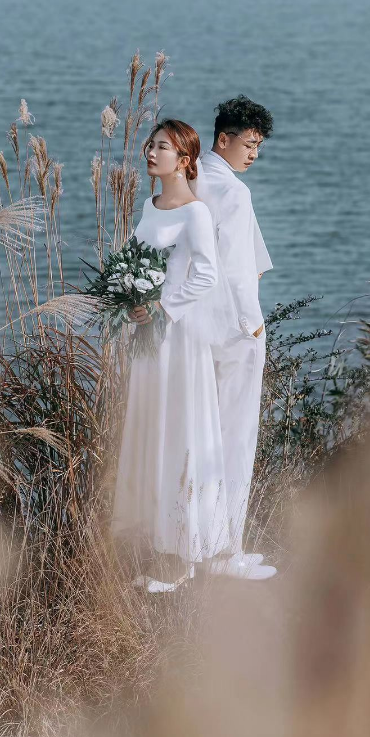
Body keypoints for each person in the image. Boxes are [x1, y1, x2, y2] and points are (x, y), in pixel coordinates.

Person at [110, 119, 231, 593]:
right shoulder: (150, 206)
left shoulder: (195, 213)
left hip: (178, 338)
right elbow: (135, 260)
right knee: (151, 424)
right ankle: (159, 543)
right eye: (150, 145)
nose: (151, 152)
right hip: (149, 338)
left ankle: (183, 557)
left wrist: (164, 306)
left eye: (162, 147)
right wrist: (131, 298)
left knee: (179, 427)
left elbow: (207, 275)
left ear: (184, 160)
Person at [191, 95, 278, 580]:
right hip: (236, 329)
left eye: (258, 146)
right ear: (224, 139)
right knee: (237, 437)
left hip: (195, 330)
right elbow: (245, 270)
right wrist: (252, 324)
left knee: (200, 435)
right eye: (249, 144)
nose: (254, 154)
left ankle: (200, 546)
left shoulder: (187, 177)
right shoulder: (235, 192)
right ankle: (228, 552)